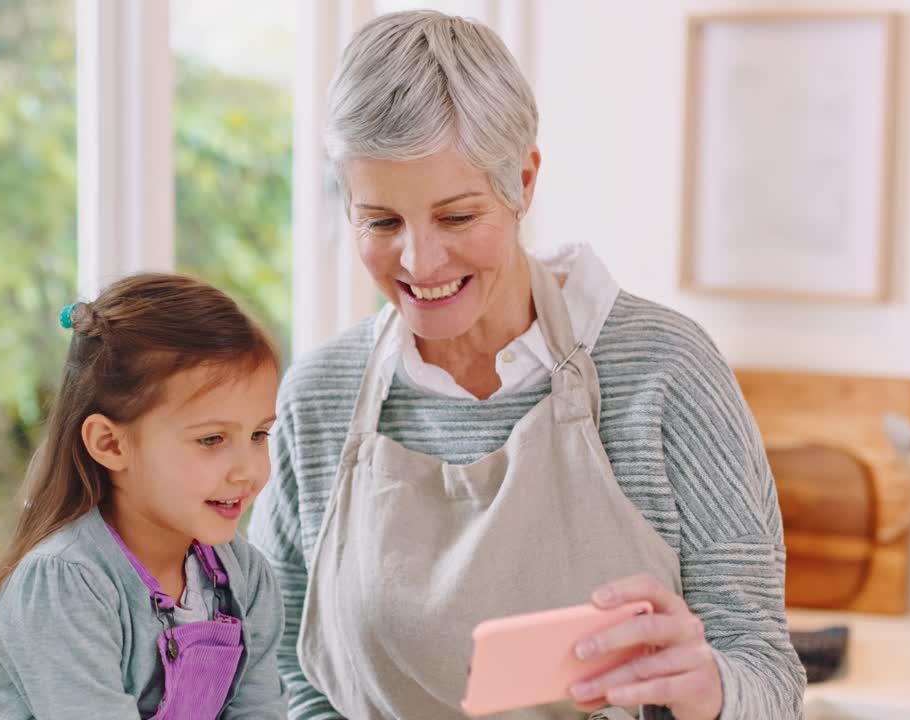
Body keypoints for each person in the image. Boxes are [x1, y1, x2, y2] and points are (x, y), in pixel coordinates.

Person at [248, 10, 804, 720]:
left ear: (524, 180)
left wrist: (715, 689)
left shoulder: (664, 371)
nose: (419, 262)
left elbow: (766, 671)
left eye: (456, 217)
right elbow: (286, 680)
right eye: (381, 221)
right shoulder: (319, 400)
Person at [0, 273, 287, 719]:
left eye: (258, 434)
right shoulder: (65, 584)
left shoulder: (245, 577)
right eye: (211, 439)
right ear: (110, 444)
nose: (250, 469)